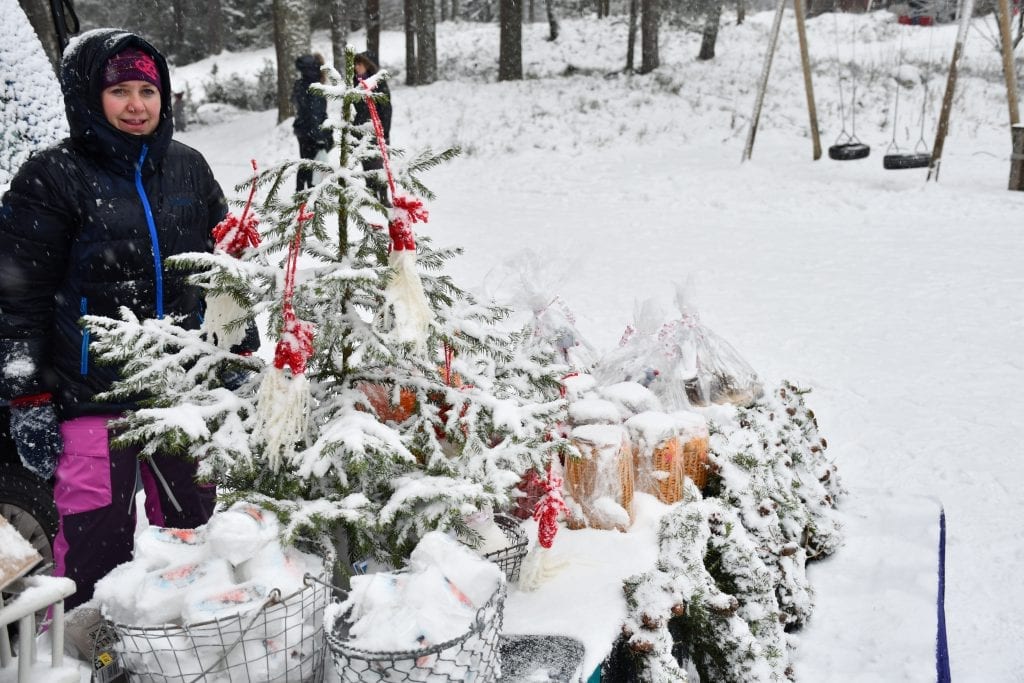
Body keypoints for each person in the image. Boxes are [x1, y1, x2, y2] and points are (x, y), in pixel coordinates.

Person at [0, 29, 231, 611]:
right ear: (86, 97)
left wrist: (235, 354)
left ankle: (185, 650)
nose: (137, 105)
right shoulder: (51, 177)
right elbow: (17, 298)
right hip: (89, 399)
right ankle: (89, 657)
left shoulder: (189, 169)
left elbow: (223, 273)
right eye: (120, 91)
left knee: (196, 540)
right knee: (94, 553)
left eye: (148, 91)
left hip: (181, 390)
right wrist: (26, 397)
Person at [352, 51, 392, 206]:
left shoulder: (378, 82)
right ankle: (370, 194)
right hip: (360, 129)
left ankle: (383, 196)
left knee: (379, 164)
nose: (356, 67)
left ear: (367, 64)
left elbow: (386, 108)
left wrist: (385, 131)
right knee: (367, 163)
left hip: (377, 128)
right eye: (355, 64)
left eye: (359, 64)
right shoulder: (355, 83)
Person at [292, 53, 332, 192]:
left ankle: (299, 192)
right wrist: (320, 138)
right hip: (312, 131)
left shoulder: (300, 83)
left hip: (302, 129)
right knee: (312, 165)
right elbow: (315, 114)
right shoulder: (315, 87)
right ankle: (310, 197)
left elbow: (302, 109)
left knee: (304, 162)